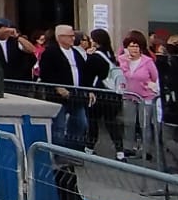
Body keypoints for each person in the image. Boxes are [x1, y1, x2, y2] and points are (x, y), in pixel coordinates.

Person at [38, 24, 94, 150]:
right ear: (60, 37)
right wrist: (57, 87)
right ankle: (59, 153)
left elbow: (84, 72)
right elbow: (46, 73)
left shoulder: (76, 53)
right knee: (59, 126)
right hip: (58, 96)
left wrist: (89, 89)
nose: (73, 39)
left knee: (81, 123)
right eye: (70, 36)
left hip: (77, 95)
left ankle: (74, 151)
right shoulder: (50, 52)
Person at [84, 28, 126, 160]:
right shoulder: (111, 55)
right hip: (113, 93)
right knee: (111, 122)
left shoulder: (94, 57)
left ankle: (89, 148)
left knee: (93, 122)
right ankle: (120, 151)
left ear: (95, 41)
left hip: (98, 92)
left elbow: (88, 76)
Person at [118, 31, 160, 160]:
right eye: (131, 46)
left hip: (145, 97)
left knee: (145, 124)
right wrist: (126, 61)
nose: (134, 49)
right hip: (129, 96)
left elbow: (154, 76)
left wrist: (148, 86)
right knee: (129, 123)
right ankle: (128, 148)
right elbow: (123, 74)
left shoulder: (147, 61)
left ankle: (145, 150)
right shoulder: (122, 59)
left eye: (136, 46)